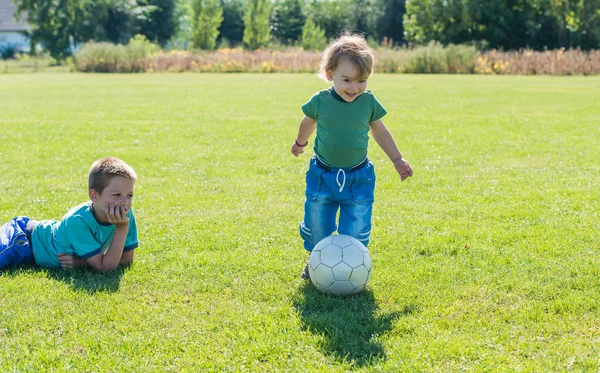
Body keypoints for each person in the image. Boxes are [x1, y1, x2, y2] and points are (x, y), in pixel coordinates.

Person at [291, 32, 413, 279]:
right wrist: (299, 142)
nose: (355, 88)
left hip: (358, 178)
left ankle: (351, 270)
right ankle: (316, 260)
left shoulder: (367, 102)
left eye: (362, 81)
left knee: (356, 230)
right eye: (347, 80)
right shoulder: (321, 101)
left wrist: (397, 159)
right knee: (316, 226)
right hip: (322, 175)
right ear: (330, 74)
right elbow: (308, 121)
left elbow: (380, 130)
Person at [0, 156, 139, 272]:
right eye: (116, 194)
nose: (125, 202)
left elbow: (125, 261)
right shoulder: (77, 220)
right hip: (23, 238)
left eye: (130, 195)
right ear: (94, 196)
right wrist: (121, 229)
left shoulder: (125, 214)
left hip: (32, 253)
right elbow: (105, 267)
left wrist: (83, 263)